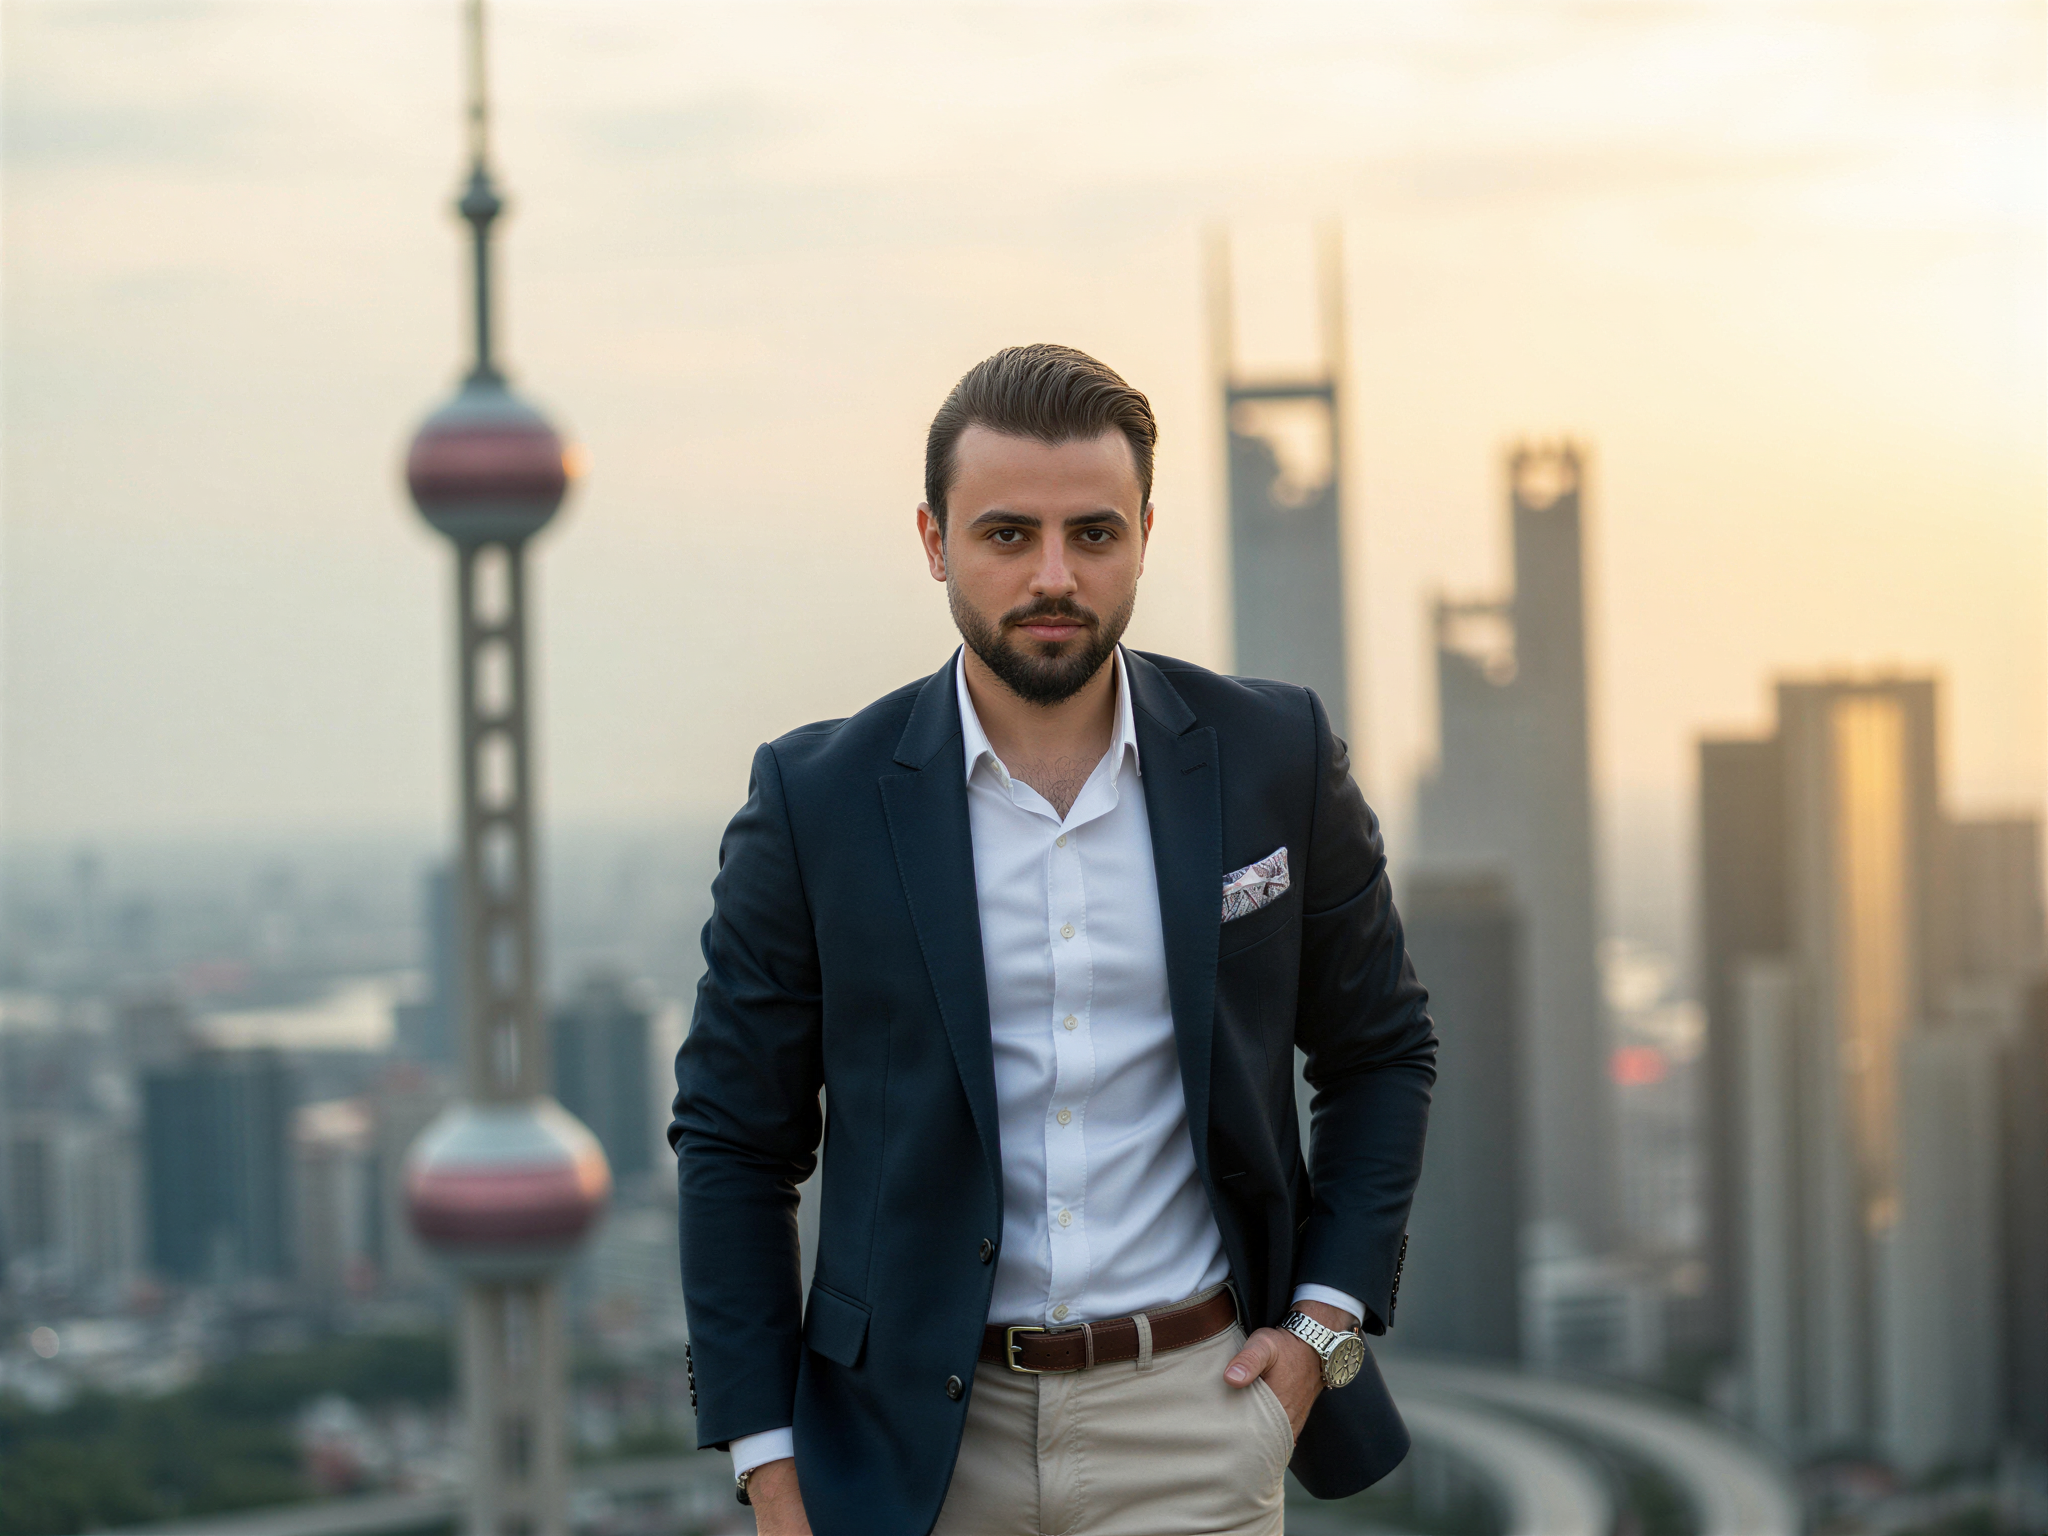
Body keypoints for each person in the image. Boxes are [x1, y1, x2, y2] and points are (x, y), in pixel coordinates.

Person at [671, 343, 1436, 1536]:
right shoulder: (815, 802)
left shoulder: (1272, 756)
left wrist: (1322, 1326)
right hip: (907, 1449)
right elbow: (733, 1140)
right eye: (1005, 535)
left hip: (1196, 1421)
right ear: (933, 541)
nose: (1052, 575)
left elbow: (1381, 1051)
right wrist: (768, 1466)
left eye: (1091, 534)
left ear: (1143, 535)